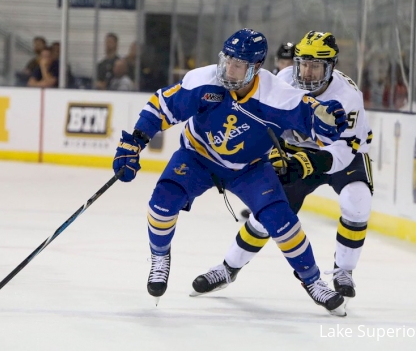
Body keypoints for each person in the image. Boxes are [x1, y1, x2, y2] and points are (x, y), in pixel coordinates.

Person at [111, 28, 354, 317]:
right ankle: (160, 257)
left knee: (282, 220)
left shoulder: (275, 94)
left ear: (257, 68)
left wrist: (327, 119)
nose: (230, 69)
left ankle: (313, 281)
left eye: (239, 65)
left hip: (250, 168)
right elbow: (162, 106)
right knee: (162, 204)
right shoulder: (204, 80)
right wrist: (135, 140)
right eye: (228, 60)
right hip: (197, 157)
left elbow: (312, 116)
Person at [191, 31, 373, 304]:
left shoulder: (347, 97)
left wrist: (310, 163)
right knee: (266, 215)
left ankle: (343, 271)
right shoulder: (284, 80)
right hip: (295, 151)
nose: (307, 73)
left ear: (331, 67)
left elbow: (345, 149)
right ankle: (228, 268)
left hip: (343, 152)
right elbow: (261, 122)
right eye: (303, 64)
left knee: (357, 200)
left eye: (316, 66)